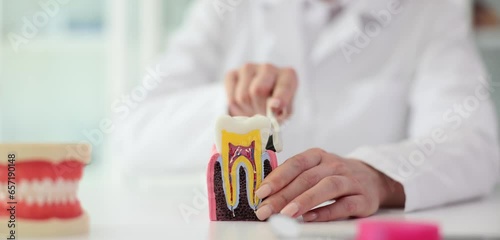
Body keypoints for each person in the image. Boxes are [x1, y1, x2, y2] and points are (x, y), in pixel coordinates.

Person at [116, 0, 499, 221]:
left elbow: (473, 143)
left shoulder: (431, 9)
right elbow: (131, 136)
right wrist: (233, 107)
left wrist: (379, 176)